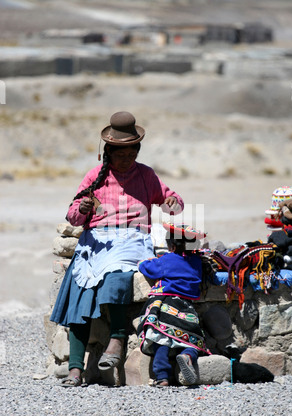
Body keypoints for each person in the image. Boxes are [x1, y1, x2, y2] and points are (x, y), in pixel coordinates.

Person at [50, 111, 184, 387]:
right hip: (97, 241)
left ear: (137, 150)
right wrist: (83, 208)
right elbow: (73, 216)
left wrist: (172, 204)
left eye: (131, 154)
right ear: (108, 152)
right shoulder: (94, 177)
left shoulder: (146, 176)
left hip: (132, 240)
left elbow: (173, 200)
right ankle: (75, 368)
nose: (126, 159)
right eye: (120, 154)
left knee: (117, 275)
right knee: (80, 289)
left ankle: (117, 339)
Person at [136, 223, 210, 387]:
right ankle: (187, 356)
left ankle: (162, 377)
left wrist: (143, 262)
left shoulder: (167, 260)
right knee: (192, 341)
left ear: (172, 245)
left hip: (165, 306)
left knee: (160, 339)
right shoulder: (196, 262)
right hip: (187, 309)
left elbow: (148, 268)